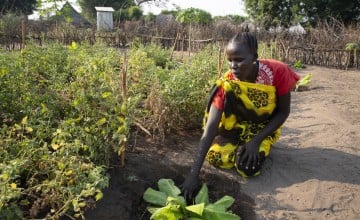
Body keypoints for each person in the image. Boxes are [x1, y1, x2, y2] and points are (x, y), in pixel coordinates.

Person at [180, 32, 300, 200]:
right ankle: (240, 145)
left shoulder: (277, 71)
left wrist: (255, 141)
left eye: (239, 60)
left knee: (247, 168)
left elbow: (283, 112)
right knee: (214, 157)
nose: (233, 65)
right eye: (230, 60)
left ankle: (260, 144)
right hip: (235, 128)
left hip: (263, 126)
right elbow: (209, 130)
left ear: (254, 57)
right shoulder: (227, 85)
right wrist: (193, 176)